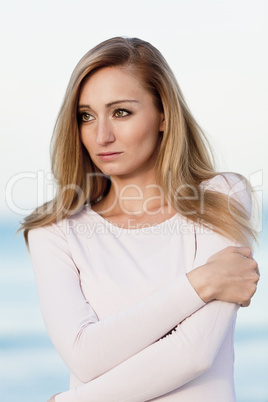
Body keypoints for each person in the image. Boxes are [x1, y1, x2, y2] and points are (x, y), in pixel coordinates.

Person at [21, 37, 260, 401]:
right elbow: (86, 358)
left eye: (121, 112)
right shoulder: (54, 230)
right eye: (86, 116)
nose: (101, 135)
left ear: (163, 114)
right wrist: (200, 283)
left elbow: (194, 354)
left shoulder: (221, 197)